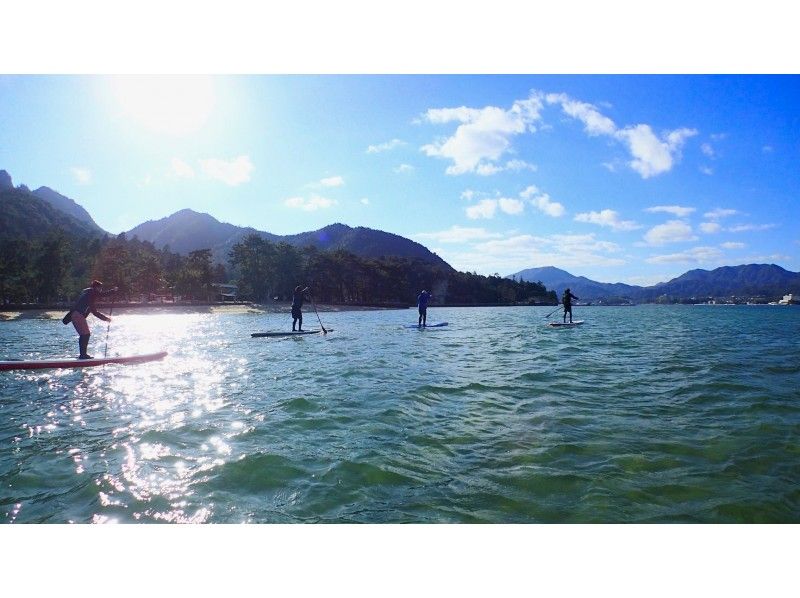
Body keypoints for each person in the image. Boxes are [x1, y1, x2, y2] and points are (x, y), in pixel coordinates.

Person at [65, 280, 118, 359]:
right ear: (97, 288)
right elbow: (103, 295)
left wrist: (106, 319)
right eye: (100, 288)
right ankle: (83, 355)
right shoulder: (92, 292)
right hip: (78, 315)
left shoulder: (87, 294)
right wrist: (113, 291)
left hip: (73, 315)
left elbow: (94, 312)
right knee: (86, 334)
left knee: (84, 335)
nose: (101, 290)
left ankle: (82, 355)